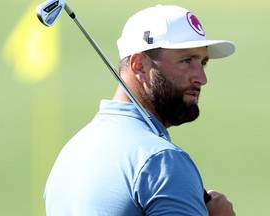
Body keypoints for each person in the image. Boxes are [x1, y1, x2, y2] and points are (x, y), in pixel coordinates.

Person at [44, 5, 236, 216]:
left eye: (203, 63)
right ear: (139, 65)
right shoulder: (162, 160)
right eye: (186, 61)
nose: (202, 78)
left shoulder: (72, 152)